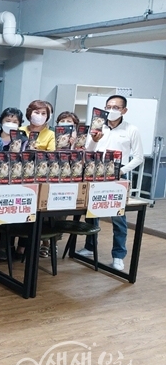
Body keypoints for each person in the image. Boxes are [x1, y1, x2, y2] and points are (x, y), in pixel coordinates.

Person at [77, 95, 144, 271]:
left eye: (116, 107)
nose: (111, 110)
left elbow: (139, 157)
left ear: (124, 110)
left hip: (117, 174)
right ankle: (90, 247)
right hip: (95, 171)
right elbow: (88, 151)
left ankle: (118, 256)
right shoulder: (98, 126)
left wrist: (121, 171)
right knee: (92, 213)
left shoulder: (131, 129)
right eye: (108, 107)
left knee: (118, 216)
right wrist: (94, 140)